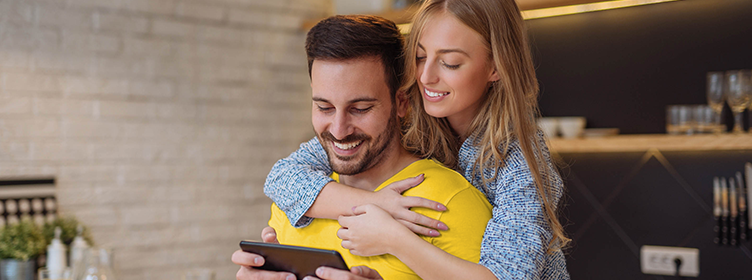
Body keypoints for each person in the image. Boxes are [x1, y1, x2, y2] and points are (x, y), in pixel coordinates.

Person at [263, 0, 571, 279]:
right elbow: (283, 177)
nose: (425, 78)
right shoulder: (407, 118)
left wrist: (393, 237)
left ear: (496, 67)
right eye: (421, 57)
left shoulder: (519, 161)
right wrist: (374, 203)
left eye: (450, 62)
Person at [233, 15, 493, 280]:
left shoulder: (449, 203)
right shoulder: (298, 201)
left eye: (360, 109)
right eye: (324, 107)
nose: (338, 130)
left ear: (401, 102)